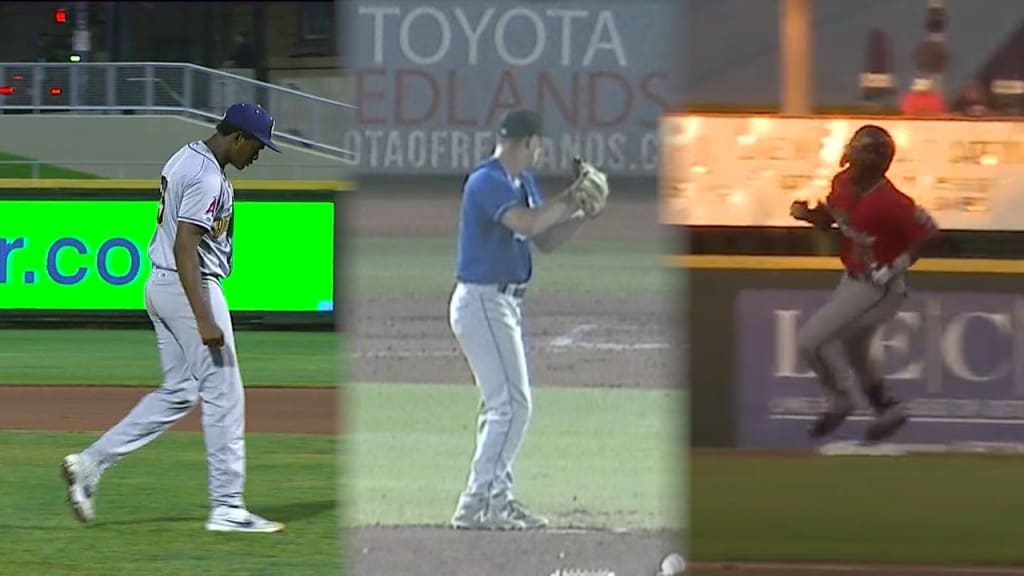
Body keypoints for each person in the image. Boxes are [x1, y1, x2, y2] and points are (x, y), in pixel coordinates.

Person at [61, 103, 285, 533]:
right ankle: (227, 507)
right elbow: (186, 245)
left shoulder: (186, 155)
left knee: (181, 391)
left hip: (160, 285)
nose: (257, 155)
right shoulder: (206, 176)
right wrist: (202, 317)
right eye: (257, 145)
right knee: (225, 390)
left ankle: (90, 464)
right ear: (237, 137)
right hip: (191, 286)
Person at [448, 109, 601, 530]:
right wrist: (571, 196)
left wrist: (582, 214)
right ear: (528, 142)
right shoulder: (487, 181)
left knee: (503, 407)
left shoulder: (523, 182)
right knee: (514, 405)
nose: (539, 152)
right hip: (483, 300)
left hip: (504, 304)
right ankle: (476, 503)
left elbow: (544, 238)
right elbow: (527, 221)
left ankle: (497, 500)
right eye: (538, 144)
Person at [789, 124, 939, 444]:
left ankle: (840, 399)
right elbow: (836, 218)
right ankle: (887, 409)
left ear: (875, 162)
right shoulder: (842, 183)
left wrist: (894, 266)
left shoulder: (892, 202)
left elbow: (927, 234)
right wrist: (811, 216)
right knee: (854, 349)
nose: (851, 159)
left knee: (811, 341)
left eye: (860, 154)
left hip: (880, 286)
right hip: (854, 277)